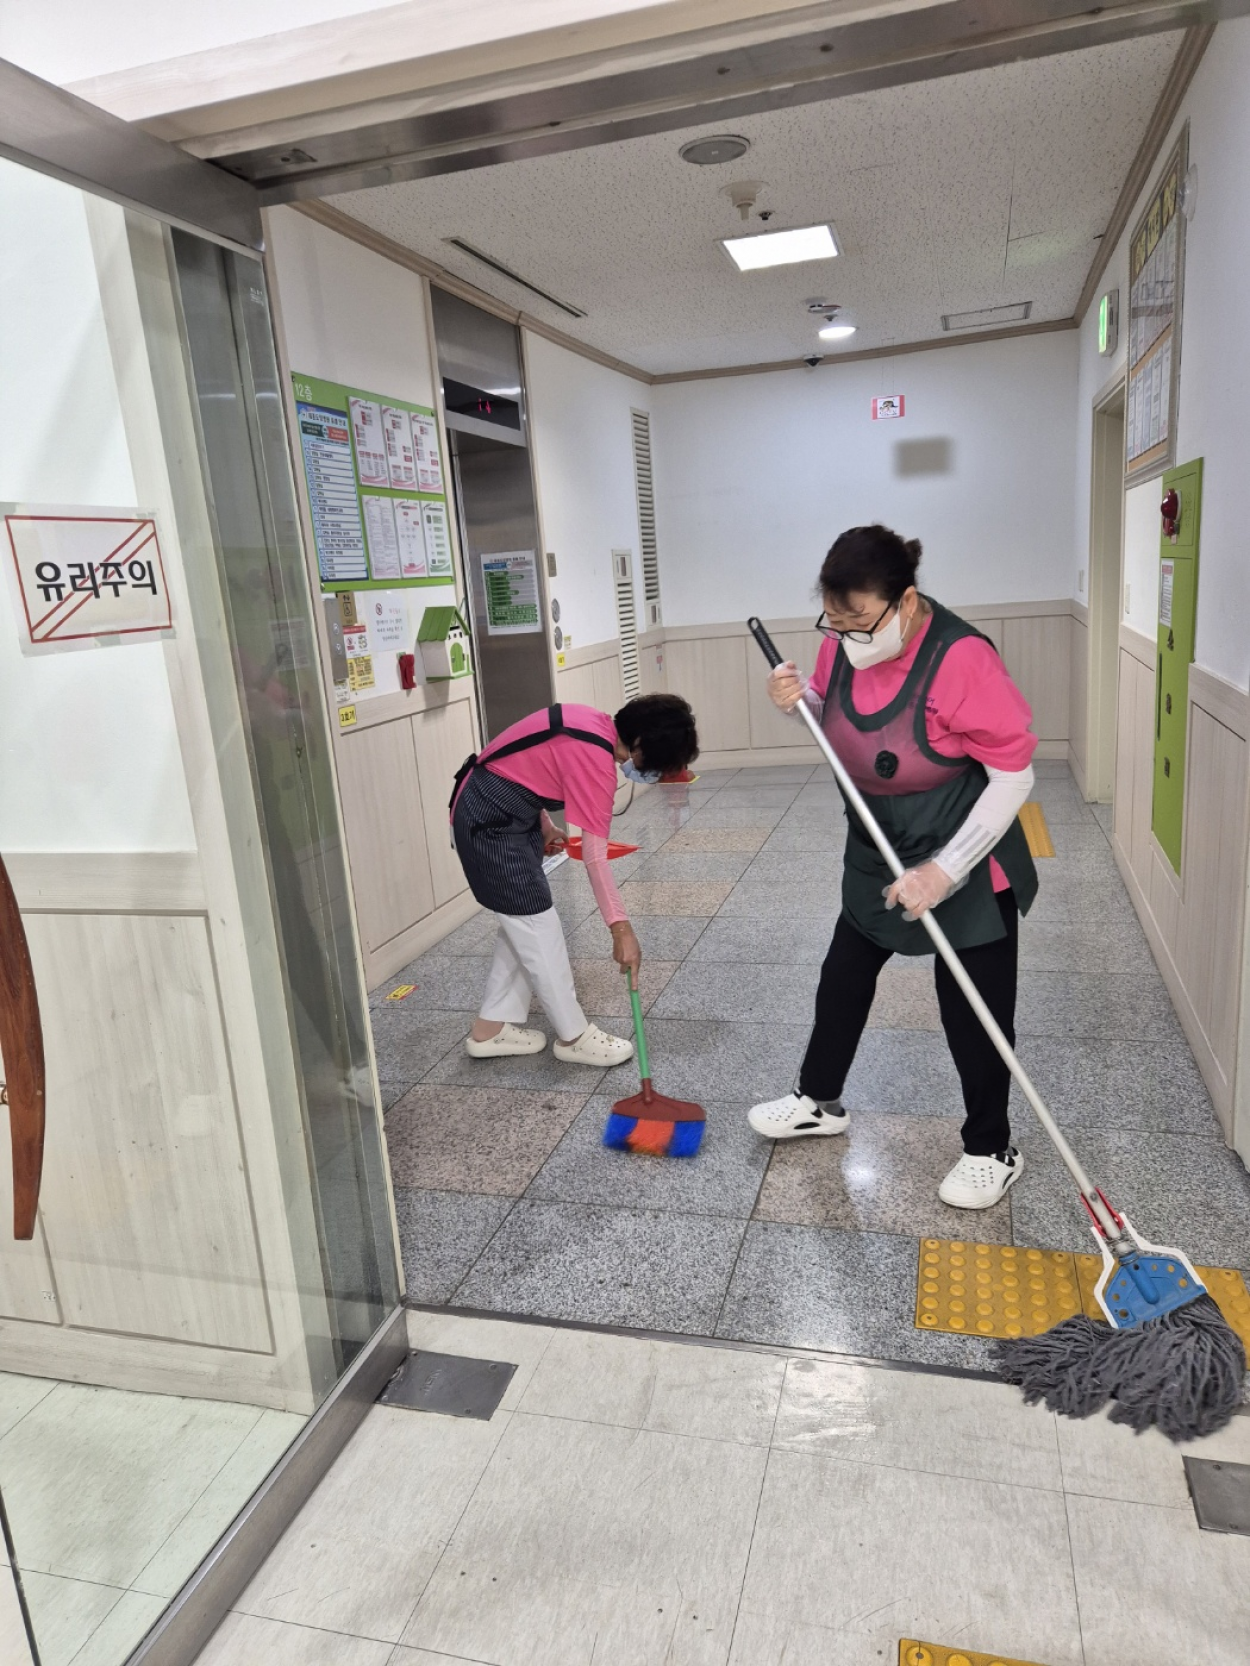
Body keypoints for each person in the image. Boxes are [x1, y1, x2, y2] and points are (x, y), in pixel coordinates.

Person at [748, 524, 1039, 1209]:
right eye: (834, 619)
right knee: (843, 977)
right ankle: (818, 1100)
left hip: (965, 846)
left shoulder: (963, 659)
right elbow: (838, 723)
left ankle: (991, 1147)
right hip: (878, 842)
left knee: (972, 1007)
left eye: (859, 618)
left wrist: (944, 871)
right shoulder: (843, 642)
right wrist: (799, 702)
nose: (846, 634)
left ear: (905, 601)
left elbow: (1014, 777)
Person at [451, 693, 699, 1064]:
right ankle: (574, 1038)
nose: (653, 773)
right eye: (658, 763)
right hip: (489, 825)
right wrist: (621, 930)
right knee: (537, 925)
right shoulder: (596, 763)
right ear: (639, 744)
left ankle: (489, 1031)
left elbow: (519, 764)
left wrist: (545, 824)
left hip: (495, 812)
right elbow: (595, 858)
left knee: (521, 922)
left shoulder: (589, 721)